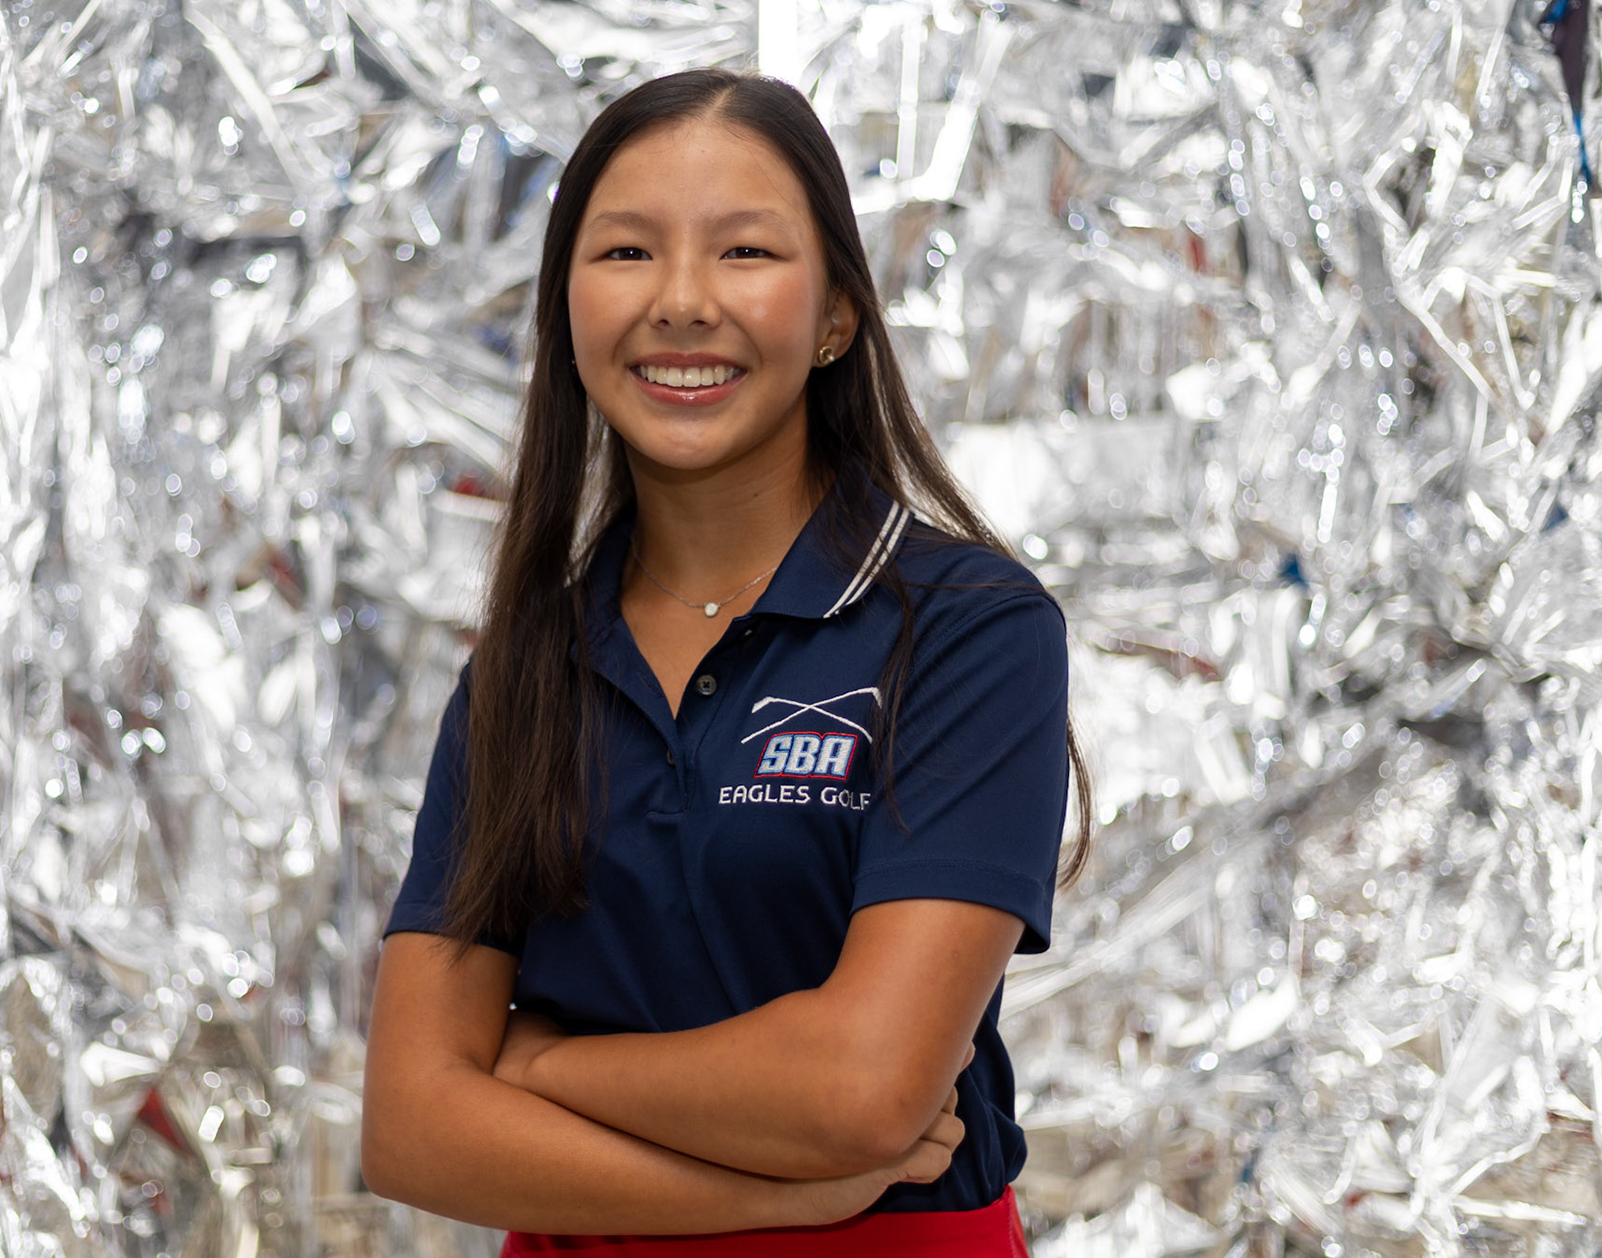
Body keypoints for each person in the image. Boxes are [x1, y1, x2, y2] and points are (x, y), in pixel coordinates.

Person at [360, 68, 1093, 1254]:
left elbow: (864, 1088)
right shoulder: (523, 672)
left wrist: (538, 1061)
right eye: (627, 252)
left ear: (837, 315)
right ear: (567, 310)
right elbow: (413, 1127)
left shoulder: (970, 629)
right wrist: (775, 1193)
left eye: (745, 251)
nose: (683, 301)